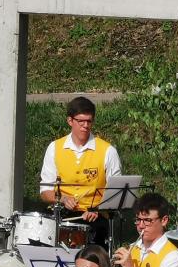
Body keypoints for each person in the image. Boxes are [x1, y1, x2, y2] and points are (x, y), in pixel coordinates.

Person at [38, 96, 123, 247]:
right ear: (70, 121)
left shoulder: (108, 151)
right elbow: (45, 192)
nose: (85, 126)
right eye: (81, 121)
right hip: (62, 215)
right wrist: (63, 199)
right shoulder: (54, 148)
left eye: (89, 121)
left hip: (95, 217)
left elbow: (116, 192)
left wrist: (97, 210)